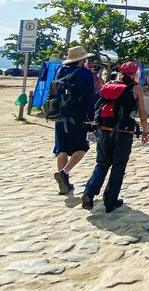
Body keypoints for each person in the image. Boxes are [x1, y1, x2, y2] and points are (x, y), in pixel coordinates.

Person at [82, 61, 149, 213]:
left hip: (104, 130)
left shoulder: (109, 85)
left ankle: (89, 192)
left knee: (102, 163)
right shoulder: (136, 88)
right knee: (118, 166)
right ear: (134, 73)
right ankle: (110, 201)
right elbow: (142, 113)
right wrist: (145, 131)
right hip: (123, 133)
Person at [53, 46, 97, 195]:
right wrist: (92, 119)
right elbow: (89, 98)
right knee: (82, 147)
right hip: (77, 114)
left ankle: (64, 183)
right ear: (82, 60)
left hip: (60, 114)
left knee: (62, 148)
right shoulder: (85, 74)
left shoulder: (60, 71)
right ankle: (64, 173)